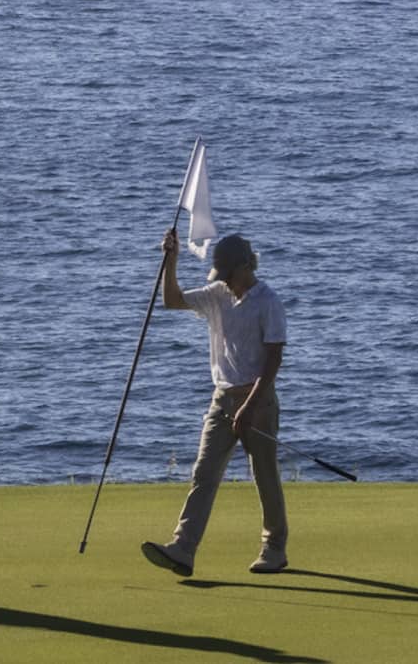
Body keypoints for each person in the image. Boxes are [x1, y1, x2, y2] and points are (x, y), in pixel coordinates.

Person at [141, 229, 289, 578]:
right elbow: (172, 300)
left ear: (245, 267)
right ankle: (183, 548)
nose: (225, 282)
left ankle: (274, 548)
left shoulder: (269, 302)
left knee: (264, 475)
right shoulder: (217, 294)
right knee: (204, 473)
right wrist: (171, 260)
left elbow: (273, 361)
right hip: (222, 398)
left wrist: (250, 406)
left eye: (228, 275)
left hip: (258, 399)